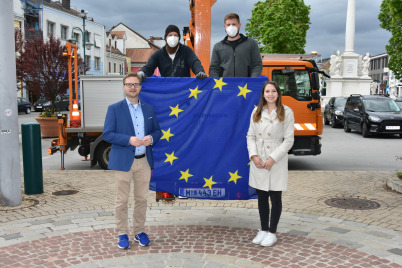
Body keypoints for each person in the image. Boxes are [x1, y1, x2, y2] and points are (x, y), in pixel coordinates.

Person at [103, 72, 162, 249]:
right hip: (123, 161)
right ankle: (122, 234)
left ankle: (139, 231)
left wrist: (151, 138)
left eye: (136, 84)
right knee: (121, 200)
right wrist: (128, 139)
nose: (133, 87)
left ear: (140, 87)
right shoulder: (114, 109)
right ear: (124, 87)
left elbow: (157, 131)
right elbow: (107, 134)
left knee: (141, 199)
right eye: (129, 84)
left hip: (144, 161)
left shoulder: (149, 109)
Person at [246, 81, 295, 247]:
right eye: (267, 91)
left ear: (278, 93)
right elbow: (250, 136)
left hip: (276, 159)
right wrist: (254, 156)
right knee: (261, 197)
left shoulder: (286, 112)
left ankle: (272, 232)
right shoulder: (256, 111)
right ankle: (263, 229)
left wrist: (273, 158)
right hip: (259, 158)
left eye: (274, 91)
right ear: (263, 94)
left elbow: (289, 140)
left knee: (275, 196)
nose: (271, 94)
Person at [138, 24, 207, 80]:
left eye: (175, 35)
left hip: (184, 88)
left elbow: (195, 62)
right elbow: (149, 67)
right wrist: (142, 72)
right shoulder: (159, 54)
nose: (173, 38)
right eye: (170, 35)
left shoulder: (186, 51)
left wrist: (200, 72)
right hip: (167, 89)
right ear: (166, 38)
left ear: (179, 38)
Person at [209, 13, 262, 77]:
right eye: (228, 25)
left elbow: (257, 65)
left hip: (246, 85)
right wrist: (217, 83)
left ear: (239, 25)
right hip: (225, 85)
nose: (231, 27)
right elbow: (213, 69)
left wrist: (252, 81)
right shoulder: (218, 47)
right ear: (225, 27)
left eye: (234, 24)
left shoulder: (251, 43)